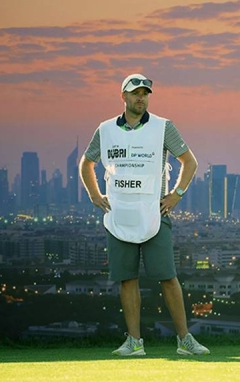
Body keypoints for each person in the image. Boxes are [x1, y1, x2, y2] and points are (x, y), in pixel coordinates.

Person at [79, 73, 210, 356]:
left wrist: (177, 194)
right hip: (119, 214)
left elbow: (190, 162)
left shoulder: (164, 127)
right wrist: (93, 194)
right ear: (123, 96)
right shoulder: (105, 130)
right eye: (136, 92)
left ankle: (184, 339)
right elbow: (86, 163)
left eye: (146, 93)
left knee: (167, 276)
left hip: (154, 212)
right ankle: (134, 342)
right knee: (127, 278)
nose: (141, 97)